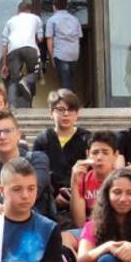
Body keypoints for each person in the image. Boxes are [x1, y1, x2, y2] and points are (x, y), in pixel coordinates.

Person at [0, 110, 56, 219]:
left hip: (38, 229)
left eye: (8, 131)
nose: (2, 136)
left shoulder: (37, 159)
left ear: (18, 135)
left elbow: (35, 190)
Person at [34, 89, 90, 217]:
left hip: (81, 198)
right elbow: (38, 173)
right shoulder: (43, 140)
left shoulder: (86, 139)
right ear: (51, 112)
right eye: (60, 109)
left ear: (77, 114)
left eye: (71, 110)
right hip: (49, 201)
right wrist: (54, 197)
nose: (66, 114)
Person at [69, 130, 121, 229]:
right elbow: (79, 223)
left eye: (105, 153)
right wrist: (74, 183)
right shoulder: (82, 180)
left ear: (115, 156)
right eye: (95, 152)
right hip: (89, 231)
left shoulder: (123, 180)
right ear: (88, 154)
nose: (99, 157)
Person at [0, 2, 44, 108]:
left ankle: (12, 107)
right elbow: (40, 38)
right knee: (37, 71)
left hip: (13, 50)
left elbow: (4, 44)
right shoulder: (36, 18)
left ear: (18, 11)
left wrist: (4, 65)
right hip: (30, 47)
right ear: (29, 10)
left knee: (13, 80)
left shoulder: (10, 21)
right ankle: (26, 80)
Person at [45, 0, 82, 94]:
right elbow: (79, 37)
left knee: (65, 81)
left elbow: (49, 39)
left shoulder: (52, 20)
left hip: (61, 53)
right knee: (69, 79)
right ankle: (69, 101)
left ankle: (68, 104)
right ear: (66, 6)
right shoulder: (75, 20)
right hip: (74, 53)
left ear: (54, 6)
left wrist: (51, 56)